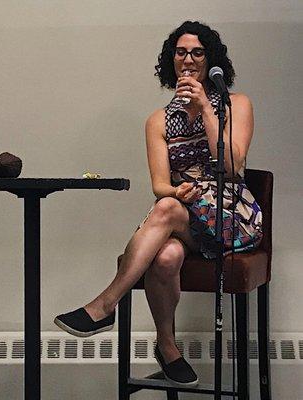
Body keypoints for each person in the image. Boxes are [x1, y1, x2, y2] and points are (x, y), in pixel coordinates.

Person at [54, 21, 263, 387]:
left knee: (165, 212)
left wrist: (205, 108)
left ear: (210, 60)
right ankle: (167, 347)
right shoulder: (157, 122)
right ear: (171, 61)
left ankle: (105, 305)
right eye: (180, 52)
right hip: (184, 213)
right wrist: (176, 193)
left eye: (197, 52)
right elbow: (160, 185)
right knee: (165, 256)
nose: (188, 59)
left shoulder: (237, 104)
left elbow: (233, 163)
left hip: (232, 215)